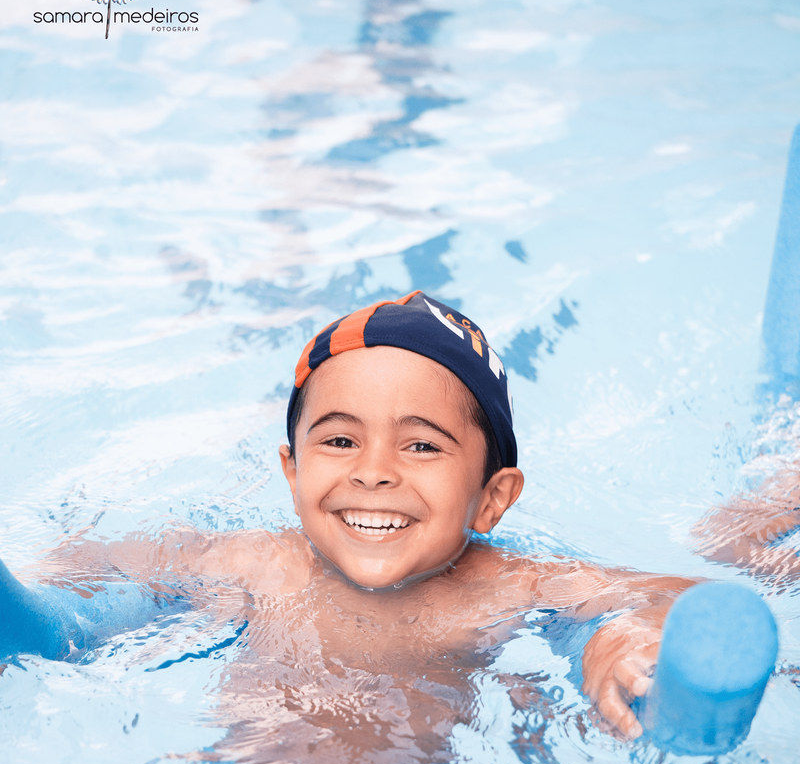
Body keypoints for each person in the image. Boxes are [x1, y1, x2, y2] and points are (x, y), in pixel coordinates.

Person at [0, 290, 696, 740]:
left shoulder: (507, 586)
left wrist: (622, 637)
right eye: (339, 441)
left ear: (492, 497)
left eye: (421, 445)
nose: (372, 471)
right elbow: (94, 581)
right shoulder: (257, 563)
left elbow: (676, 596)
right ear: (293, 471)